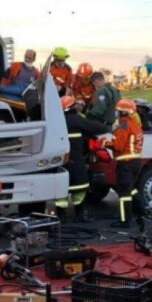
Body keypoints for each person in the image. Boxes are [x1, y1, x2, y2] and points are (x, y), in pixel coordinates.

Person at [57, 95, 108, 223]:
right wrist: (107, 128)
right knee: (79, 188)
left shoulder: (56, 121)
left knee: (60, 190)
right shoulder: (76, 119)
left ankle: (61, 216)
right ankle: (80, 215)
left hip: (59, 162)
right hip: (75, 161)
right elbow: (94, 127)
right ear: (71, 107)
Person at [103, 99, 144, 228]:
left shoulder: (124, 123)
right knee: (130, 189)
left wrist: (104, 143)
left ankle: (125, 220)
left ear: (123, 113)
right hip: (135, 161)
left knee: (124, 193)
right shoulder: (135, 124)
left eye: (118, 112)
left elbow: (119, 146)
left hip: (125, 163)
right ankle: (144, 210)